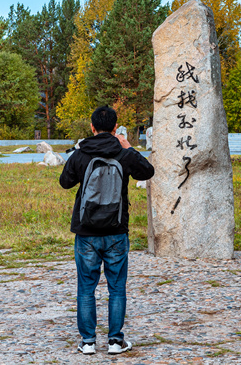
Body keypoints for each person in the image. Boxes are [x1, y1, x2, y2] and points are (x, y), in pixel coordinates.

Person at [59, 106, 155, 356]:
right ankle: (115, 341)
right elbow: (148, 171)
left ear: (92, 127)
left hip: (86, 231)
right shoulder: (122, 153)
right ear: (115, 128)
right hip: (116, 230)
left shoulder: (82, 153)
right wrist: (127, 147)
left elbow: (65, 182)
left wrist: (79, 155)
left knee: (86, 287)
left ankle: (88, 341)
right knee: (117, 287)